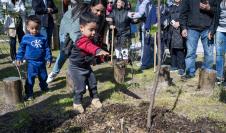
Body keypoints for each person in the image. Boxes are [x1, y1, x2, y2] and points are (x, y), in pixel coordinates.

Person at [47, 0, 107, 83]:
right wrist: (86, 46)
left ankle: (83, 77)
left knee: (83, 53)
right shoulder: (81, 14)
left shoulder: (100, 17)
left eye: (102, 11)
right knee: (65, 52)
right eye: (97, 10)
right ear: (91, 7)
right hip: (67, 29)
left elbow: (95, 32)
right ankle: (54, 72)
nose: (100, 13)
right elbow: (75, 34)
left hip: (81, 32)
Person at [70, 12, 109, 113]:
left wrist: (100, 57)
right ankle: (77, 103)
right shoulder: (81, 40)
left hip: (86, 66)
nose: (93, 32)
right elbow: (89, 47)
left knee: (93, 83)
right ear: (82, 28)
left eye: (95, 30)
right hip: (76, 68)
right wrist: (98, 51)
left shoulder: (91, 39)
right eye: (91, 30)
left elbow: (90, 53)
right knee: (80, 87)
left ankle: (95, 99)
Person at [16, 15, 52, 100]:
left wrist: (49, 58)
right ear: (28, 28)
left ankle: (44, 87)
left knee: (43, 76)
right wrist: (19, 58)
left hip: (41, 61)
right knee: (30, 78)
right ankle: (29, 94)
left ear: (40, 27)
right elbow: (21, 49)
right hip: (31, 62)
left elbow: (47, 48)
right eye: (32, 28)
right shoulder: (25, 38)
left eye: (37, 28)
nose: (35, 30)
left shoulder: (43, 38)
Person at [179, 0, 217, 79]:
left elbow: (216, 13)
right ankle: (190, 72)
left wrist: (208, 8)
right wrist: (183, 28)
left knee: (209, 53)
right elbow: (183, 13)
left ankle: (207, 73)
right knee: (190, 52)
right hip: (192, 28)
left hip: (207, 29)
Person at [167, 0, 185, 76]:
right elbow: (168, 17)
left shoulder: (184, 6)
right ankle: (174, 65)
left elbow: (187, 16)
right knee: (172, 48)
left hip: (181, 30)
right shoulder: (170, 7)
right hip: (171, 30)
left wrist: (179, 23)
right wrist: (172, 22)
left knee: (179, 49)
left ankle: (181, 67)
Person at [212, 0, 226, 84]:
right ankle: (219, 77)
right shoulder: (218, 1)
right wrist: (212, 30)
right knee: (219, 54)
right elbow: (214, 15)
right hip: (220, 29)